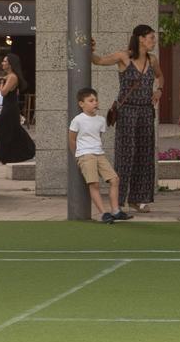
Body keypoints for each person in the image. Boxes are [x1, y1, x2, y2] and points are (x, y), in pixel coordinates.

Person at [92, 25, 161, 213]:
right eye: (151, 37)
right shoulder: (124, 56)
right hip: (127, 111)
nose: (154, 41)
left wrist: (159, 90)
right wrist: (89, 50)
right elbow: (98, 61)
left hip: (146, 111)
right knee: (125, 154)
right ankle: (119, 200)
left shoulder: (152, 59)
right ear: (140, 38)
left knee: (144, 155)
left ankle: (138, 199)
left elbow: (160, 76)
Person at [69, 87, 128, 223]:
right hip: (85, 154)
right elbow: (72, 139)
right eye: (90, 100)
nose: (95, 102)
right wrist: (77, 155)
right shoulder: (77, 120)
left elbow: (98, 137)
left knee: (114, 180)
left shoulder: (101, 120)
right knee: (94, 184)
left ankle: (116, 210)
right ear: (81, 104)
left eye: (96, 100)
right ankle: (103, 214)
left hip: (99, 154)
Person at [0, 52, 34, 166]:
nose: (3, 63)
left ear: (10, 64)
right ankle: (5, 156)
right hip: (8, 106)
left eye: (5, 61)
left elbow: (3, 92)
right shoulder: (8, 76)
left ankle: (1, 156)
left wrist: (1, 83)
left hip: (10, 107)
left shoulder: (12, 77)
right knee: (9, 130)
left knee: (5, 131)